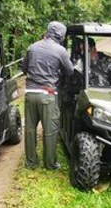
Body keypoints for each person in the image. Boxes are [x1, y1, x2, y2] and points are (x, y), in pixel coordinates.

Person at [22, 21, 73, 170]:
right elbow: (69, 71)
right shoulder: (61, 51)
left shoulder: (32, 47)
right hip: (48, 94)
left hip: (30, 94)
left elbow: (24, 68)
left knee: (30, 130)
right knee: (50, 130)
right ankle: (50, 163)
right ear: (61, 35)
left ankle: (31, 162)